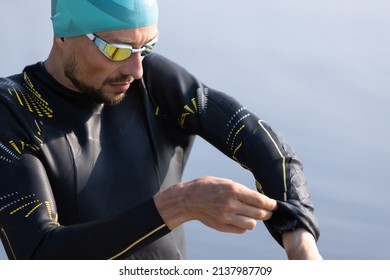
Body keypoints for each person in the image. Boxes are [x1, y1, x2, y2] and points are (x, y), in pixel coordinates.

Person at [0, 0, 321, 260]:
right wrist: (179, 204)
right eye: (116, 50)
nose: (135, 69)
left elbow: (259, 141)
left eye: (146, 47)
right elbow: (39, 253)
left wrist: (298, 236)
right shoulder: (12, 112)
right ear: (63, 33)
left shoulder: (153, 83)